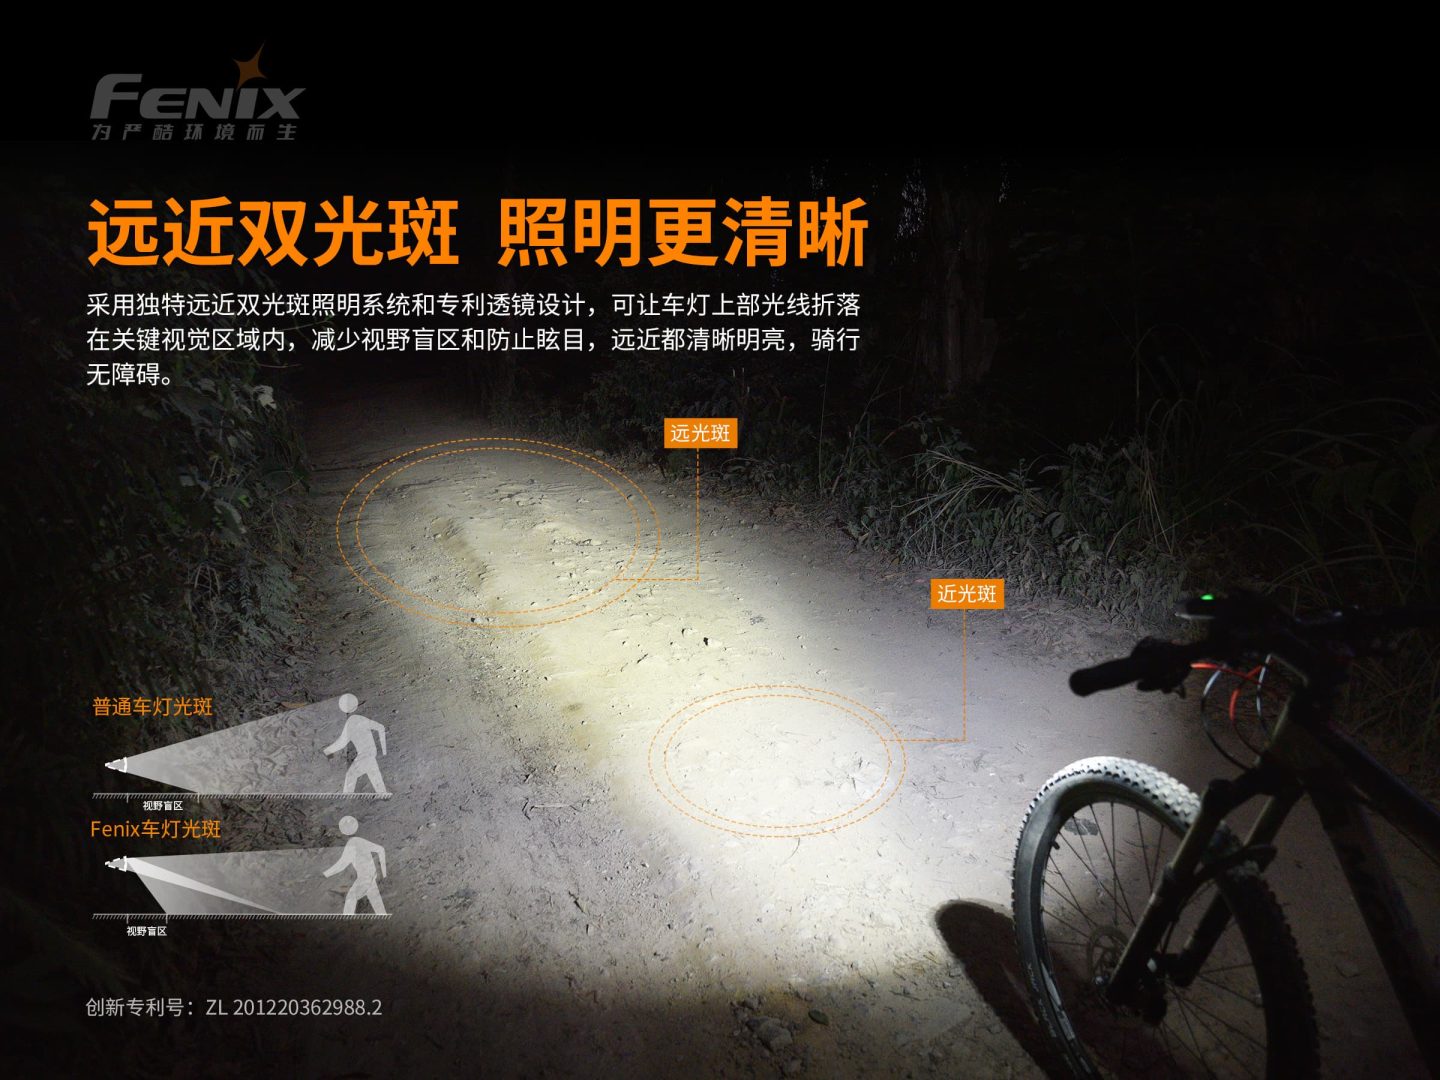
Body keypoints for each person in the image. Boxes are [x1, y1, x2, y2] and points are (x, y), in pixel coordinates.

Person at [323, 693, 388, 794]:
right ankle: (383, 794)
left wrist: (329, 750)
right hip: (371, 753)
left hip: (364, 754)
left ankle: (347, 797)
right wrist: (383, 750)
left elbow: (342, 742)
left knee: (351, 776)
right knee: (374, 774)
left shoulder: (351, 722)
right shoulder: (360, 718)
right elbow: (381, 727)